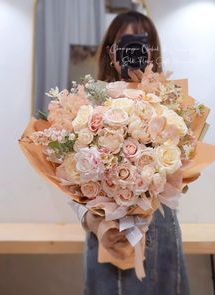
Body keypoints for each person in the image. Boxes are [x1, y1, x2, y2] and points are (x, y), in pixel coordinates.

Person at [72, 10, 191, 295]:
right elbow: (71, 181)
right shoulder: (86, 108)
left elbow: (182, 175)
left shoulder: (171, 106)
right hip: (108, 234)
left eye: (141, 41)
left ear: (152, 51)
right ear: (111, 51)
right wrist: (92, 221)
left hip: (159, 230)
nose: (134, 49)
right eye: (125, 42)